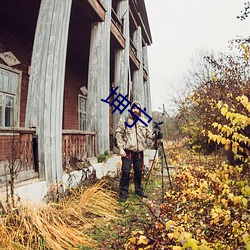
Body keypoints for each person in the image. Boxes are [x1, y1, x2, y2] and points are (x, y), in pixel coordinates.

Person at [115, 101, 160, 202]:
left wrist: (156, 136)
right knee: (126, 172)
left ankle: (138, 190)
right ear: (131, 109)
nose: (135, 110)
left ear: (140, 110)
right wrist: (121, 148)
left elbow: (149, 135)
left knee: (138, 171)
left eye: (137, 108)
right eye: (134, 108)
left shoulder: (144, 121)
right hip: (127, 151)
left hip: (139, 151)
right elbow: (118, 134)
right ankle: (123, 193)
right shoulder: (125, 120)